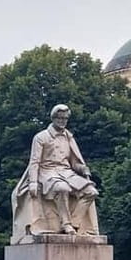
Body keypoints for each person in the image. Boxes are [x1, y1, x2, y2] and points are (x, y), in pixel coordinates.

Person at [11, 104, 99, 243]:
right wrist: (33, 181)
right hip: (47, 172)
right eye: (59, 118)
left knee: (91, 192)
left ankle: (74, 223)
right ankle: (66, 224)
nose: (62, 121)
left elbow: (73, 163)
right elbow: (35, 162)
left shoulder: (69, 138)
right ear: (53, 118)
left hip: (67, 173)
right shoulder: (41, 137)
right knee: (62, 188)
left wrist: (82, 168)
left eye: (65, 118)